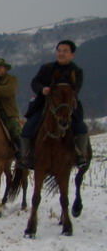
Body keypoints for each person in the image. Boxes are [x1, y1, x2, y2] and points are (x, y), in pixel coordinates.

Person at [19, 40, 88, 169]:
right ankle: (25, 157)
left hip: (67, 107)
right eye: (59, 51)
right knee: (28, 127)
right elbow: (35, 82)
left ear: (72, 54)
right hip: (45, 105)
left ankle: (81, 156)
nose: (61, 53)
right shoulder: (46, 68)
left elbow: (76, 88)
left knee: (81, 128)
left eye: (65, 51)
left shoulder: (76, 71)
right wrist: (42, 89)